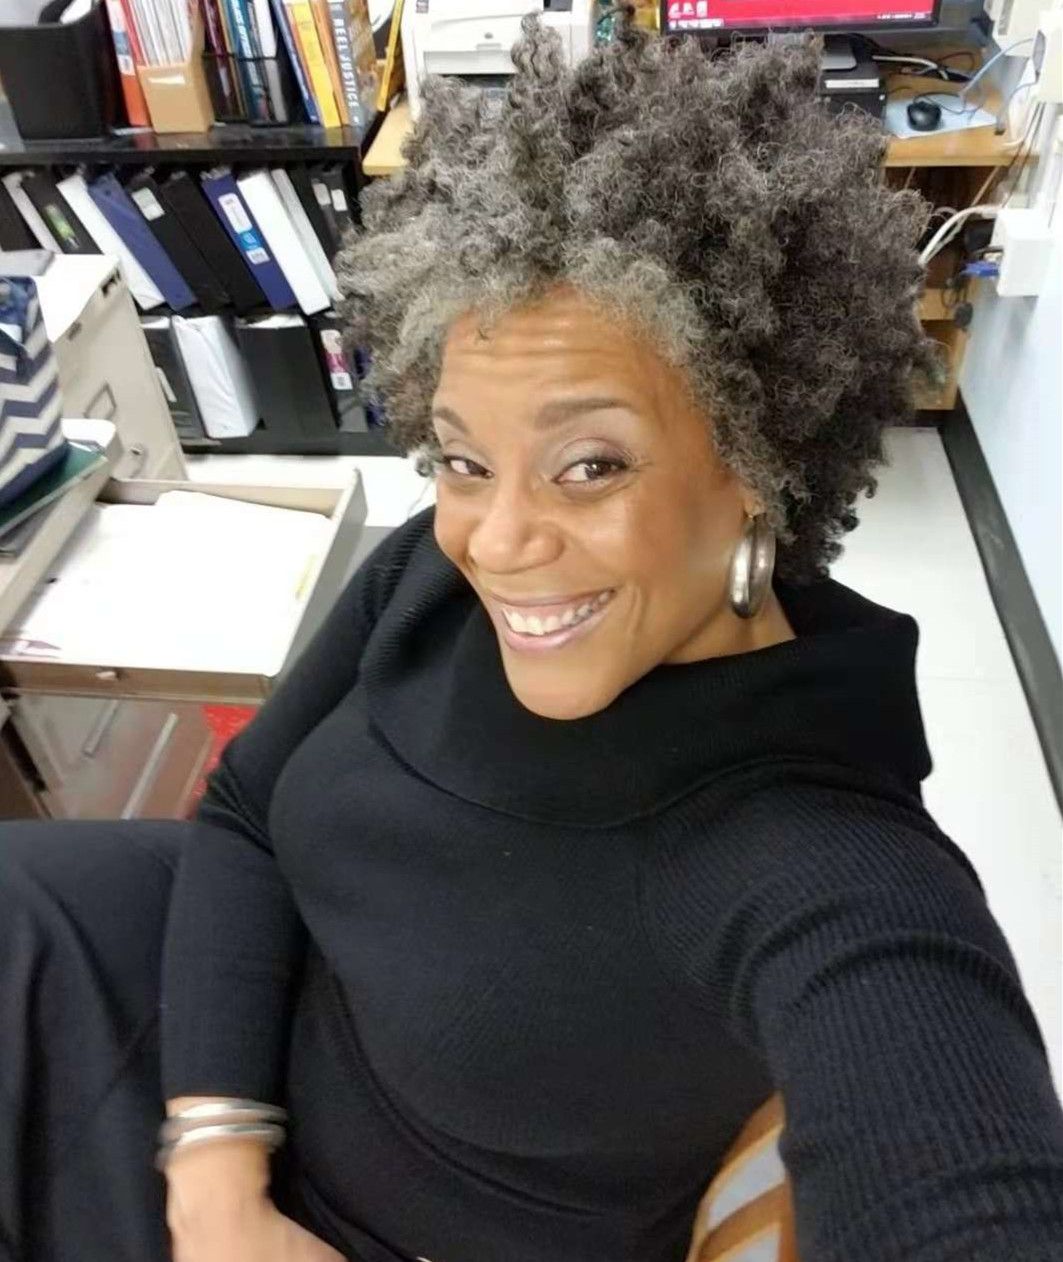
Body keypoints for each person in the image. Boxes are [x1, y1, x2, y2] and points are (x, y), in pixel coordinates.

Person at [2, 17, 1062, 1262]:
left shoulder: (815, 854)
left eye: (589, 464)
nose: (496, 540)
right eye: (462, 458)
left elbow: (949, 1158)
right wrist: (217, 1159)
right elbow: (244, 812)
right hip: (200, 1006)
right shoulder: (428, 574)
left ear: (759, 463)